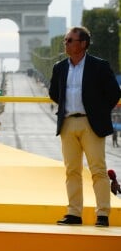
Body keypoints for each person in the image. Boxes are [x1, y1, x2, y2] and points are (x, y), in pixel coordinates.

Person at [49, 26, 121, 227]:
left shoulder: (100, 66)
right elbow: (54, 93)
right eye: (65, 40)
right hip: (68, 123)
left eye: (70, 40)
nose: (66, 43)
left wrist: (98, 112)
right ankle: (73, 213)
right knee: (72, 170)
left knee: (98, 170)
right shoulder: (59, 67)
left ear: (82, 44)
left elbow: (114, 93)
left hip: (91, 123)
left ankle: (103, 214)